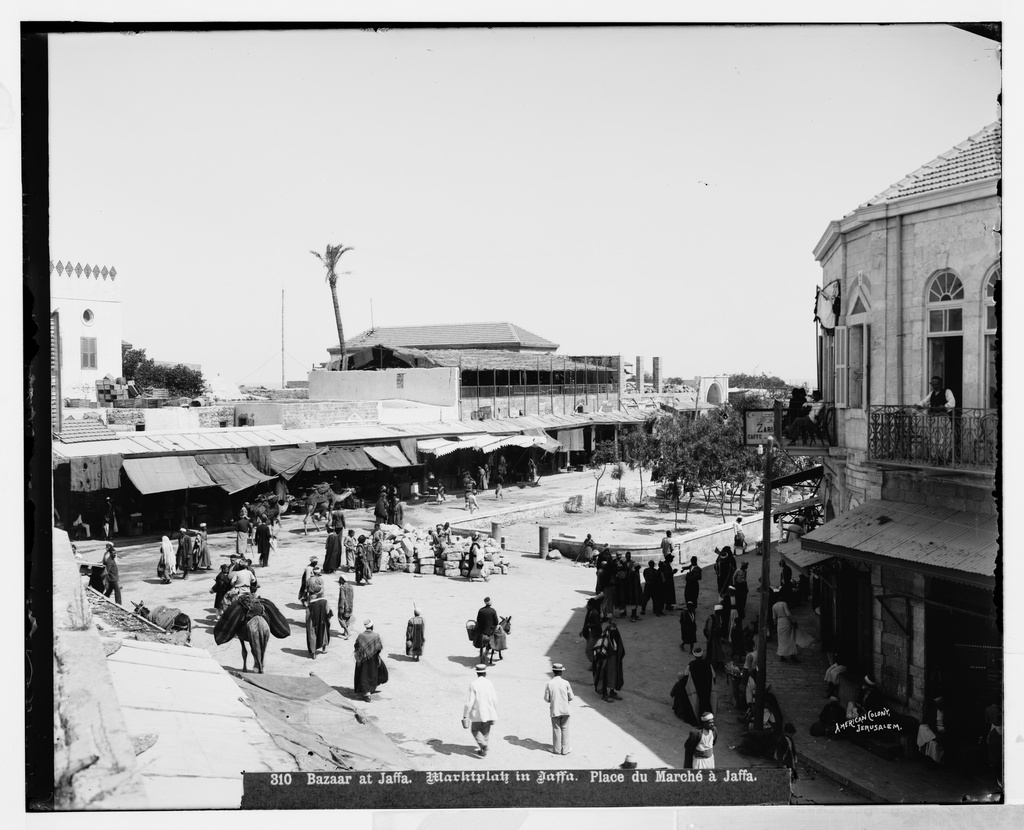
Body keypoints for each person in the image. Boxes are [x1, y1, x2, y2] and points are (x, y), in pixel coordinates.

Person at [671, 645, 717, 726]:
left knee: (696, 703)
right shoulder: (708, 664)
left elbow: (686, 676)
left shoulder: (691, 665)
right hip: (707, 688)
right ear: (702, 654)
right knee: (707, 702)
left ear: (694, 655)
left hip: (696, 689)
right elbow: (713, 676)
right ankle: (708, 719)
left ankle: (699, 719)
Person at [463, 664, 499, 757]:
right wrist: (494, 712)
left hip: (477, 713)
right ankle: (483, 750)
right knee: (485, 732)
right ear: (485, 673)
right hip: (488, 712)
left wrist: (465, 715)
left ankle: (483, 745)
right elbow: (494, 699)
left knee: (475, 730)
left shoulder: (474, 684)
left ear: (477, 673)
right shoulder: (489, 683)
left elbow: (469, 702)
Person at [592, 616, 626, 702]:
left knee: (613, 677)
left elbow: (621, 650)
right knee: (604, 677)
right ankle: (604, 694)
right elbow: (598, 652)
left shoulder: (616, 639)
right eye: (612, 632)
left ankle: (612, 691)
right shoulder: (603, 640)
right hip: (605, 663)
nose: (613, 633)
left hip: (614, 663)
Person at [544, 663, 574, 756]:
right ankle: (565, 749)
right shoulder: (566, 683)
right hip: (566, 710)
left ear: (553, 672)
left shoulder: (549, 684)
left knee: (556, 729)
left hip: (555, 710)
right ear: (561, 672)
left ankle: (556, 749)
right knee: (565, 729)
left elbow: (546, 698)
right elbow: (571, 697)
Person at [304, 572, 331, 659]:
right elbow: (328, 613)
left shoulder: (310, 604)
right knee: (324, 633)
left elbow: (308, 616)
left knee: (312, 636)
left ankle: (313, 653)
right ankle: (324, 648)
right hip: (323, 621)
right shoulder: (324, 601)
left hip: (313, 622)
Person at [773, 596, 799, 663]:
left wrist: (775, 624)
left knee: (781, 640)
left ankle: (782, 655)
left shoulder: (774, 606)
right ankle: (792, 655)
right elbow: (788, 614)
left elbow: (774, 618)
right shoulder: (784, 604)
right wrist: (793, 621)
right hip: (785, 621)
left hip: (779, 622)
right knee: (790, 638)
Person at [474, 597, 499, 665]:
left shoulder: (481, 610)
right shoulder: (493, 611)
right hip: (489, 632)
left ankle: (481, 655)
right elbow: (496, 622)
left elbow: (478, 621)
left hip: (482, 632)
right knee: (498, 637)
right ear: (490, 603)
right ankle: (488, 654)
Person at [580, 595, 603, 667]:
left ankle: (595, 664)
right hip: (592, 633)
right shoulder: (591, 612)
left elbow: (597, 624)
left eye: (588, 605)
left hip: (595, 634)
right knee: (592, 649)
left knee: (588, 650)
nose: (586, 606)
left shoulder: (594, 613)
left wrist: (589, 625)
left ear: (591, 606)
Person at [775, 723, 799, 791]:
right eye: (791, 734)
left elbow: (792, 750)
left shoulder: (789, 739)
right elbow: (779, 753)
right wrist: (782, 763)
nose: (792, 735)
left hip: (789, 762)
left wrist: (794, 758)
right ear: (787, 732)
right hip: (785, 762)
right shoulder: (782, 740)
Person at [704, 606, 726, 671]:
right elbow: (709, 629)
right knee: (713, 651)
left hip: (716, 638)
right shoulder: (712, 618)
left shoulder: (718, 617)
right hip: (713, 638)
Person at [337, 575, 354, 639]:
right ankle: (345, 632)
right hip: (350, 605)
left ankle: (347, 632)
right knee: (347, 618)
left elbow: (342, 597)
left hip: (344, 606)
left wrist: (341, 606)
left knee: (341, 618)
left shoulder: (342, 587)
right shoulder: (351, 586)